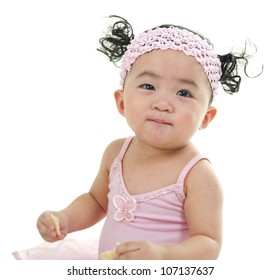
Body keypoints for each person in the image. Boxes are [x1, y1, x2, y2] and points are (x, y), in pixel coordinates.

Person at [36, 15, 259, 260]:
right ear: (122, 102)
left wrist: (163, 255)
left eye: (183, 93)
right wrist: (65, 218)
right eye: (149, 87)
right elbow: (96, 202)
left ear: (206, 117)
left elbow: (209, 244)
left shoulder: (197, 174)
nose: (163, 104)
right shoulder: (116, 153)